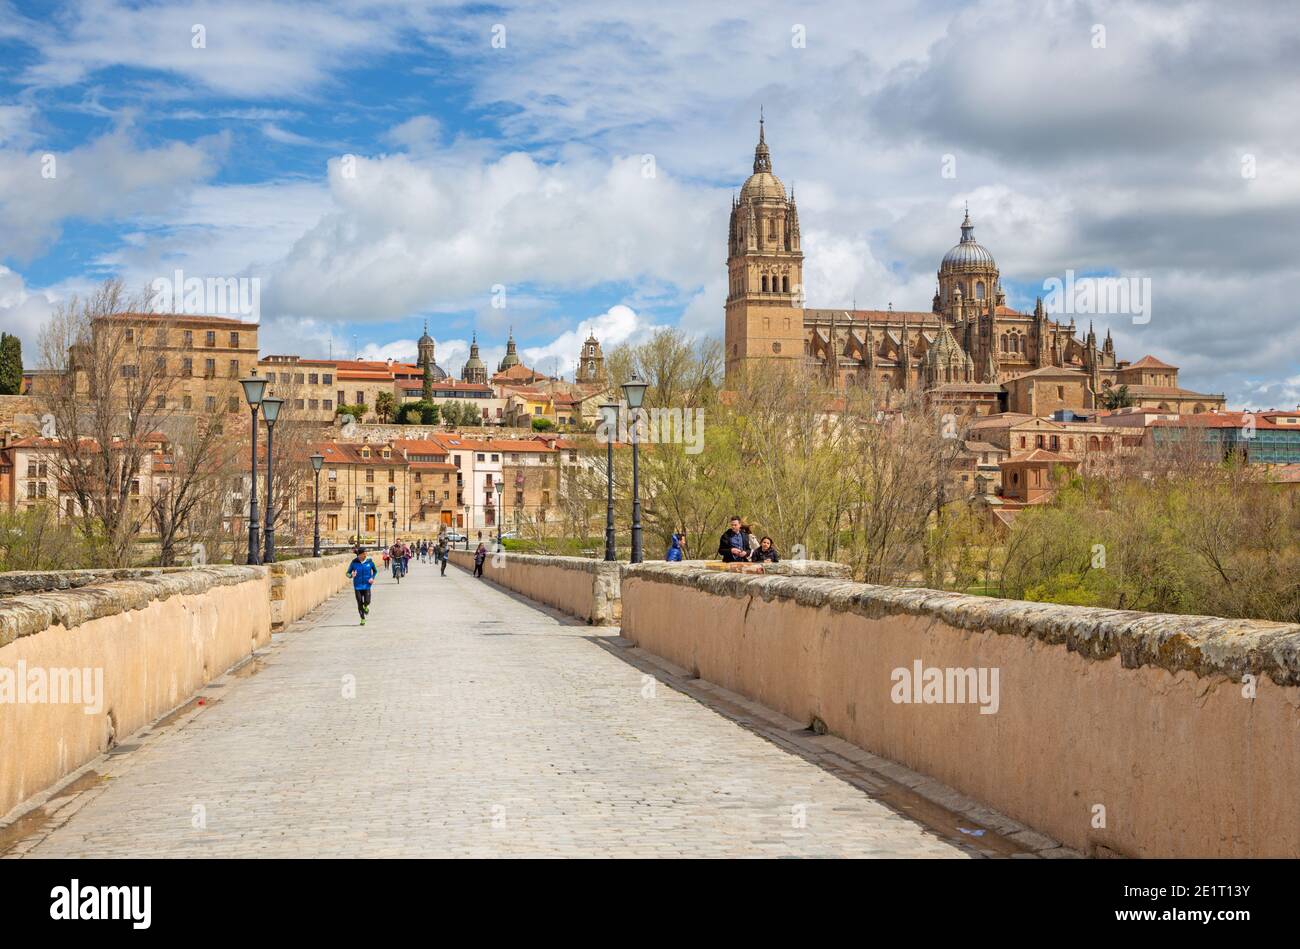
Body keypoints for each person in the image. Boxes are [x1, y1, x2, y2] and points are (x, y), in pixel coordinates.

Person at [346, 547, 378, 625]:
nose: (366, 555)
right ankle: (362, 619)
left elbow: (375, 571)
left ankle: (366, 606)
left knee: (367, 601)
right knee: (359, 602)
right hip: (357, 586)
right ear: (359, 554)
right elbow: (347, 573)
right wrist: (351, 575)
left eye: (366, 553)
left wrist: (372, 578)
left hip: (367, 585)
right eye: (364, 553)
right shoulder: (354, 562)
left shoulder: (370, 562)